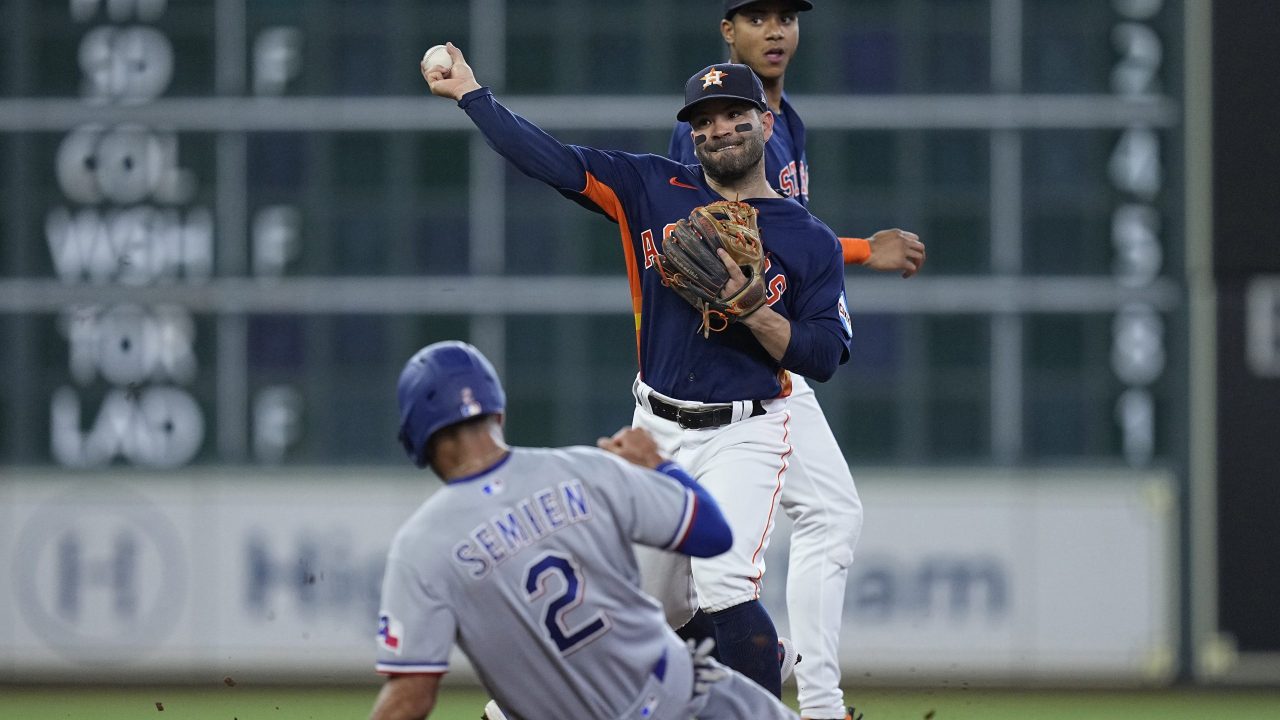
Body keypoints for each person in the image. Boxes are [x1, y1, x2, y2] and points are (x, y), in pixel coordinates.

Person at [422, 45, 852, 698]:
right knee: (645, 608)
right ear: (691, 132)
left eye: (733, 114)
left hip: (747, 432)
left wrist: (756, 312)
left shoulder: (809, 239)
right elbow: (553, 162)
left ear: (765, 122)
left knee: (726, 581)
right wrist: (472, 94)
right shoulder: (650, 186)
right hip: (654, 430)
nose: (718, 129)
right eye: (703, 120)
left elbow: (822, 355)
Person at [667, 3, 927, 718]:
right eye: (756, 18)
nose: (775, 31)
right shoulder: (713, 127)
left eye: (786, 17)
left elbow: (782, 237)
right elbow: (702, 237)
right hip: (716, 360)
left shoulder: (788, 122)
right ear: (729, 31)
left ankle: (814, 702)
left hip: (765, 358)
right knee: (678, 577)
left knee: (826, 518)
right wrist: (861, 250)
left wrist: (843, 253)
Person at [369, 340, 800, 720]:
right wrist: (662, 466)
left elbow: (412, 696)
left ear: (415, 440)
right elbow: (713, 535)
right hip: (688, 693)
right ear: (497, 411)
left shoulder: (422, 546)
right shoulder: (585, 469)